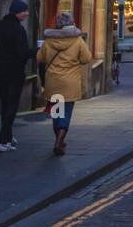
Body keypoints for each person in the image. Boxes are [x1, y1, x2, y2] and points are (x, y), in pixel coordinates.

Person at [38, 11, 94, 155]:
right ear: (72, 23)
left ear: (58, 24)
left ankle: (59, 140)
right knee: (66, 112)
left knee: (57, 113)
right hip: (70, 83)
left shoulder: (49, 40)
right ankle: (59, 142)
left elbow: (40, 58)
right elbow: (87, 58)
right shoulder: (77, 40)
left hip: (53, 82)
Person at [0, 0, 33, 152]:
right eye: (24, 11)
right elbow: (22, 53)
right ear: (17, 12)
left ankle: (8, 136)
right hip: (13, 74)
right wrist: (35, 52)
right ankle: (3, 140)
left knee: (6, 105)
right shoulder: (17, 29)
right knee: (11, 107)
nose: (27, 14)